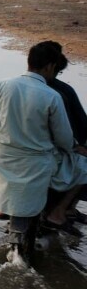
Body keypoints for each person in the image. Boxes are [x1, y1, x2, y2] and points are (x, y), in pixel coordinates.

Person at [0, 41, 87, 238]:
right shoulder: (53, 96)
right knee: (83, 165)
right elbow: (64, 140)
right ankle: (59, 212)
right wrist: (74, 148)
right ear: (51, 66)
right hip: (38, 165)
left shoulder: (3, 85)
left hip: (4, 159)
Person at [49, 46, 87, 224]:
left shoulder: (11, 86)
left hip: (15, 151)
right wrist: (77, 146)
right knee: (83, 163)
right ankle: (65, 209)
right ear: (52, 68)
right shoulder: (62, 93)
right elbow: (77, 128)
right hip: (55, 150)